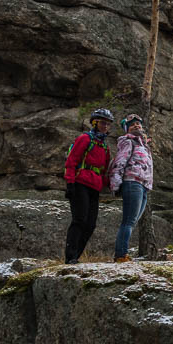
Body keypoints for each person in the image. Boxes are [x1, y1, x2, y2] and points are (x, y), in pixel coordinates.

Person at [64, 108, 114, 264]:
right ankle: (70, 257)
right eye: (102, 123)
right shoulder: (85, 139)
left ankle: (76, 257)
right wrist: (70, 183)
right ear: (95, 123)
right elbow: (71, 162)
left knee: (90, 224)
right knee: (79, 219)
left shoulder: (105, 146)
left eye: (108, 124)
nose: (105, 126)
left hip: (95, 187)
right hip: (80, 183)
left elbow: (104, 171)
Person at [108, 113, 153, 263]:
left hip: (143, 186)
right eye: (132, 124)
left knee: (132, 221)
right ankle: (120, 255)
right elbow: (119, 163)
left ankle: (122, 254)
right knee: (128, 221)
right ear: (126, 129)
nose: (136, 125)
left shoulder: (144, 145)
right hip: (132, 182)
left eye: (138, 123)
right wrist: (115, 184)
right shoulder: (128, 142)